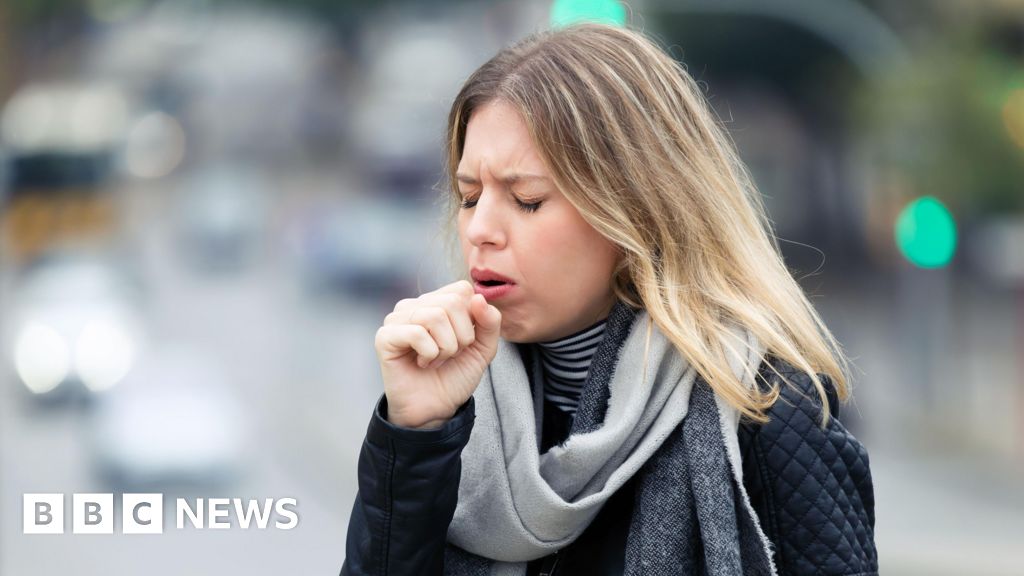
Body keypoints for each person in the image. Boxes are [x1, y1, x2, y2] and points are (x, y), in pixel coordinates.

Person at [341, 22, 877, 576]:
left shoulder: (766, 413)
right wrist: (414, 435)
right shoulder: (454, 410)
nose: (480, 229)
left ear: (635, 210)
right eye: (471, 196)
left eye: (527, 200)